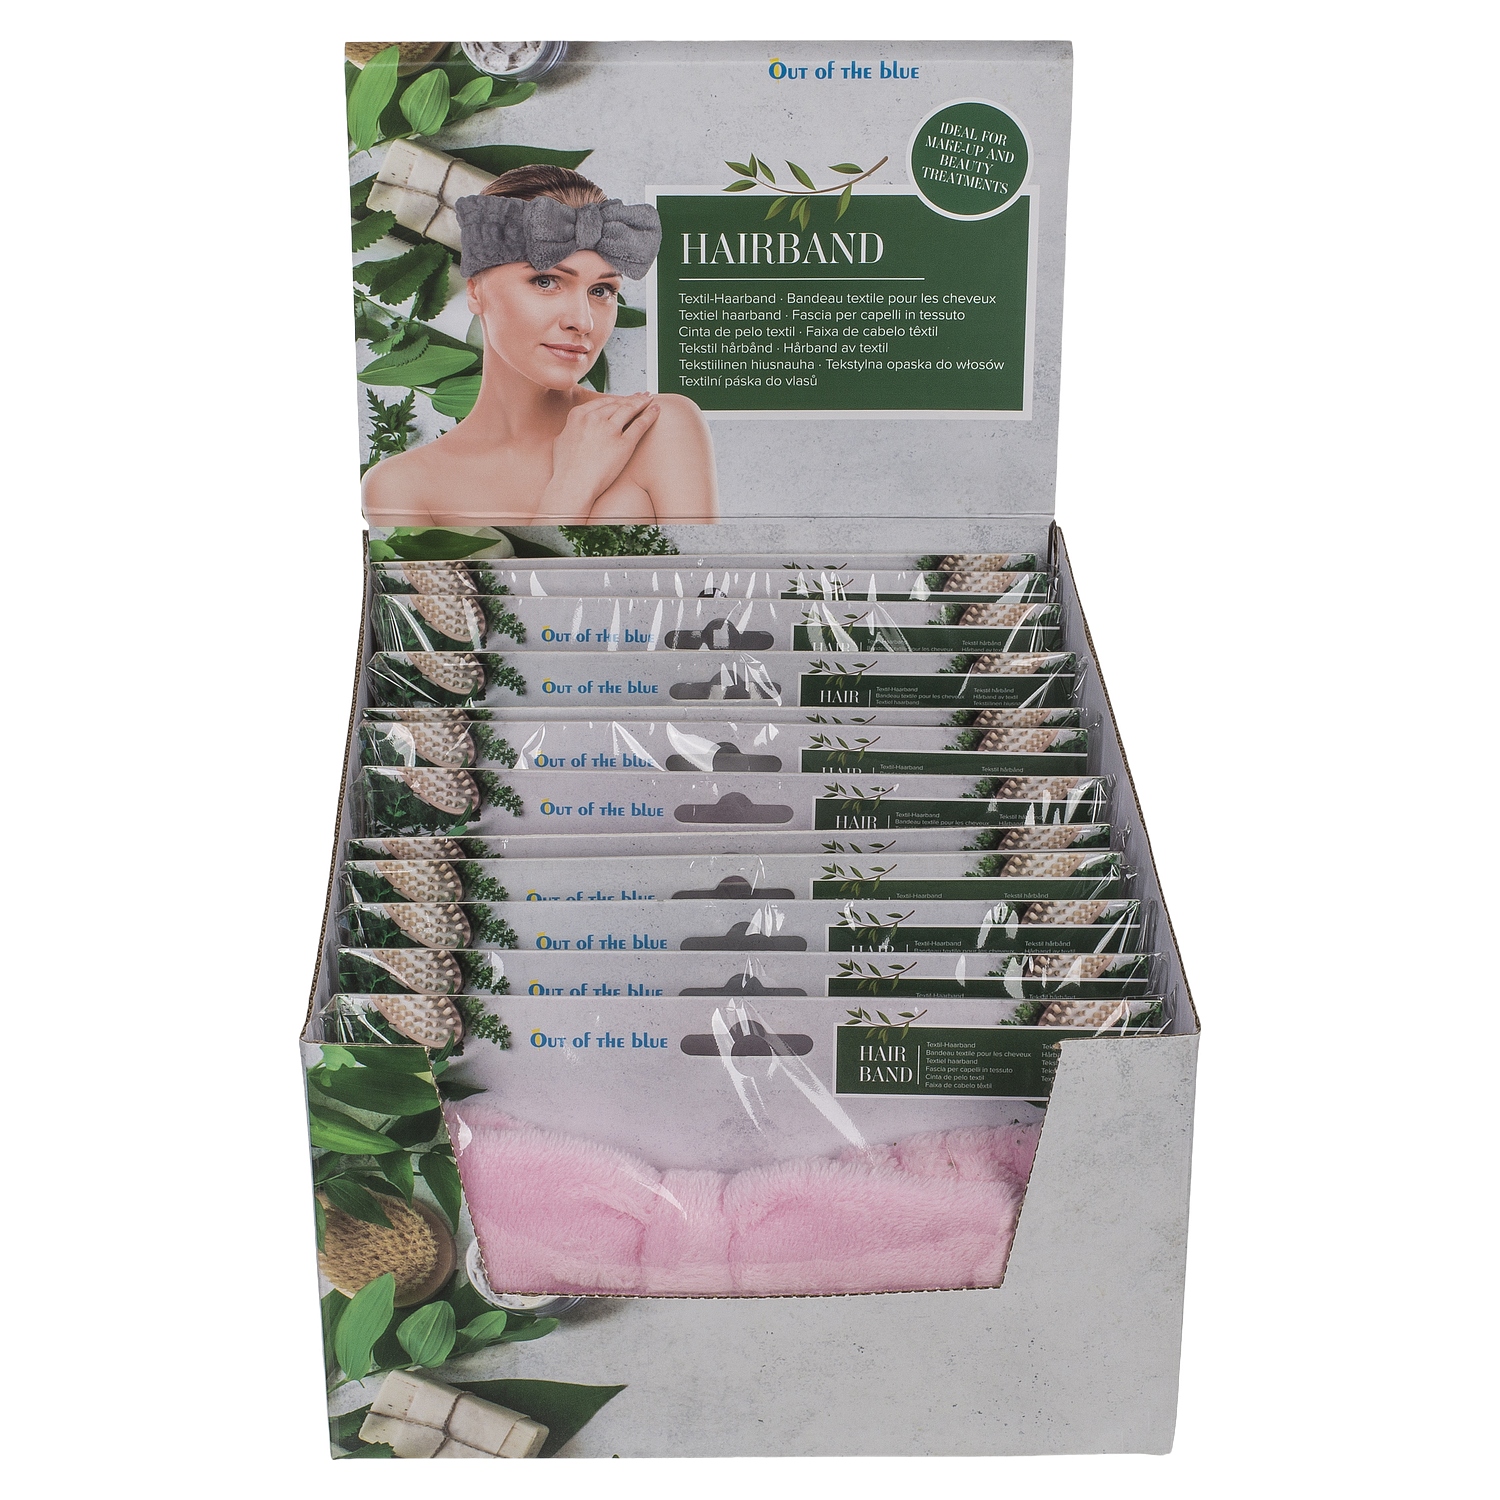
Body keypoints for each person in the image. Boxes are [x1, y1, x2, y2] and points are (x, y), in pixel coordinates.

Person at [362, 165, 718, 526]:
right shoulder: (402, 486)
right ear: (475, 290)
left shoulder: (658, 426)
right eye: (545, 281)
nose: (583, 321)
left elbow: (711, 566)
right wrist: (571, 486)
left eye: (601, 290)